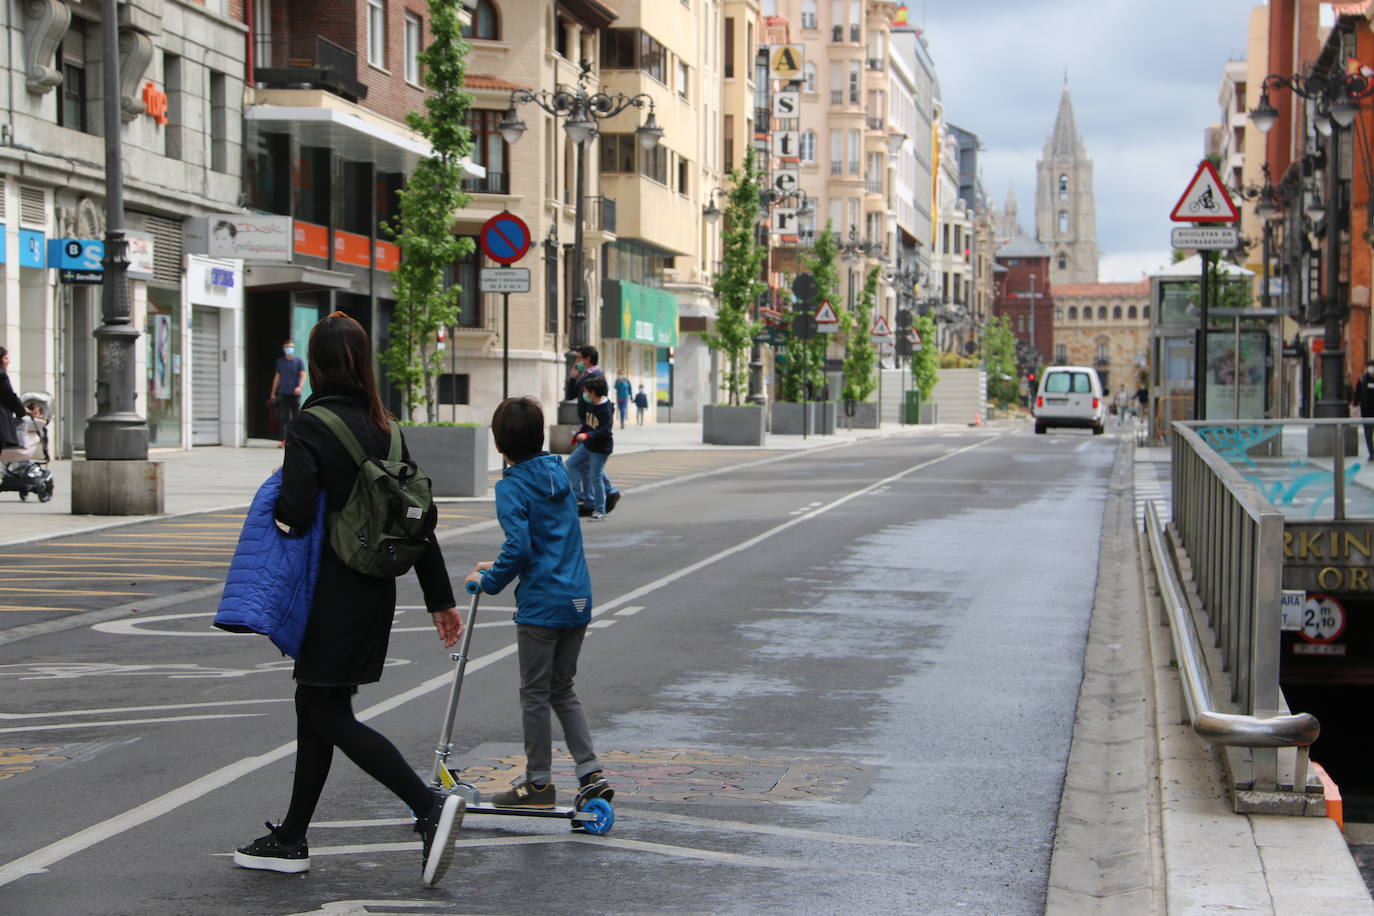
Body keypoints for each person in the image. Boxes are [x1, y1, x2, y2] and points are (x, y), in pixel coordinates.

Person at [233, 313, 466, 887]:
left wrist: (285, 477)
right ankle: (290, 838)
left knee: (327, 710)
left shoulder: (311, 424)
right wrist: (441, 599)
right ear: (363, 362)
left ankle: (428, 808)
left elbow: (292, 516)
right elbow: (416, 517)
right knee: (317, 706)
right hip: (372, 593)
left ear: (315, 364)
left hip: (328, 594)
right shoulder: (386, 428)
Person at [465, 396, 612, 808]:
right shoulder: (559, 472)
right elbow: (548, 539)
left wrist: (489, 580)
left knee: (534, 693)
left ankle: (539, 783)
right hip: (577, 598)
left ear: (499, 445)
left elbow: (522, 547)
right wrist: (498, 562)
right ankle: (590, 771)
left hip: (541, 605)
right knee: (562, 688)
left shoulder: (511, 486)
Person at [565, 346, 620, 513]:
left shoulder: (596, 376)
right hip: (586, 426)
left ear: (588, 358)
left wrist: (587, 433)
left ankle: (595, 499)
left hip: (591, 429)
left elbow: (601, 410)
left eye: (579, 358)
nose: (577, 362)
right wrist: (573, 378)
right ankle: (597, 497)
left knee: (589, 467)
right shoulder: (585, 375)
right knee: (587, 466)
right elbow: (570, 395)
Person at [566, 376, 614, 520]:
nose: (584, 394)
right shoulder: (592, 404)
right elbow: (588, 424)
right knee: (571, 463)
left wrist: (587, 436)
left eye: (586, 392)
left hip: (599, 449)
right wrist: (578, 436)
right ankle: (578, 496)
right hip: (587, 445)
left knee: (595, 477)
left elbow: (605, 431)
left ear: (593, 392)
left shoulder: (606, 409)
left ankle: (600, 510)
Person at [269, 340, 307, 447]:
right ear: (284, 349)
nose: (289, 349)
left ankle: (297, 439)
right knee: (283, 417)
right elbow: (277, 377)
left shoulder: (299, 361)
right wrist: (273, 393)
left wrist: (300, 387)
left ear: (293, 349)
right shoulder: (280, 361)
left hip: (295, 393)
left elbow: (303, 375)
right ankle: (284, 439)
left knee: (296, 417)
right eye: (287, 347)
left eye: (291, 347)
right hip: (282, 392)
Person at [0, 347, 25, 451]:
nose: (8, 361)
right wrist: (21, 411)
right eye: (6, 358)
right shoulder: (1, 375)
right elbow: (10, 396)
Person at [1353, 360, 1374, 459]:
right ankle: (1372, 453)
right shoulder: (1362, 380)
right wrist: (1355, 405)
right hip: (1366, 411)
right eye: (1370, 366)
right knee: (1368, 434)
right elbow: (1357, 393)